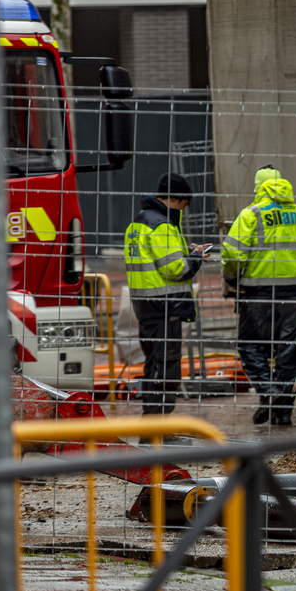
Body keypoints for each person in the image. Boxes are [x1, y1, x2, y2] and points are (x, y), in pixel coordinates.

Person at [124, 173, 211, 426]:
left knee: (153, 367)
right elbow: (176, 269)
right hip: (165, 307)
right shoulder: (162, 225)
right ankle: (156, 428)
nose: (183, 211)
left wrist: (188, 253)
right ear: (176, 199)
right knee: (167, 368)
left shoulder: (138, 223)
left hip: (145, 307)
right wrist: (195, 258)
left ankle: (153, 426)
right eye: (184, 205)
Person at [222, 165, 296, 426]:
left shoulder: (252, 214)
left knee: (249, 346)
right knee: (287, 351)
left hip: (258, 292)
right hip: (293, 291)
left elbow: (232, 253)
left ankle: (270, 394)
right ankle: (281, 408)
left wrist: (232, 277)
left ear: (258, 188)